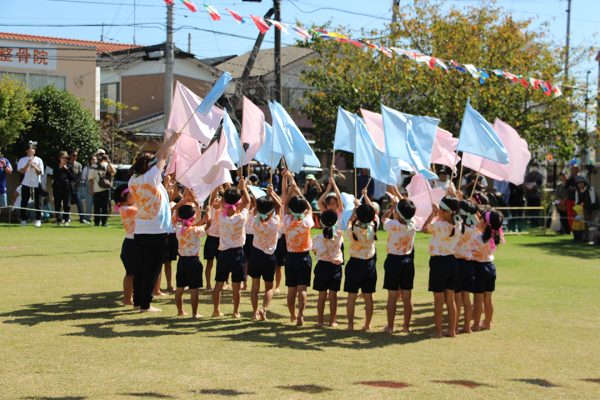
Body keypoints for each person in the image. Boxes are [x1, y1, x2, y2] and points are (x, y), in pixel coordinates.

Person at [128, 131, 181, 313]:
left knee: (141, 268)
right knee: (152, 270)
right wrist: (171, 140)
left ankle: (137, 302)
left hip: (140, 230)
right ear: (149, 165)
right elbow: (163, 156)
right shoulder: (151, 176)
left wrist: (169, 141)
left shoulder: (133, 180)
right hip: (156, 231)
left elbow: (158, 157)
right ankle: (145, 305)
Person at [422, 196, 461, 338]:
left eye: (441, 209)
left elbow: (424, 229)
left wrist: (432, 215)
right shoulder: (458, 223)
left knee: (438, 300)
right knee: (450, 299)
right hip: (452, 262)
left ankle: (438, 332)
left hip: (439, 263)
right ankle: (452, 330)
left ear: (446, 212)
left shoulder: (439, 225)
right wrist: (439, 214)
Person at [212, 180, 251, 318]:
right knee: (236, 285)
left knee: (218, 284)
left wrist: (231, 191)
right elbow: (248, 202)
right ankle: (236, 311)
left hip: (223, 253)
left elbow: (222, 204)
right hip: (237, 253)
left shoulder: (219, 215)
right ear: (238, 203)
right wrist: (243, 188)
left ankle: (216, 310)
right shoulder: (241, 218)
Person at [282, 170, 314, 326]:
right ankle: (301, 315)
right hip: (304, 257)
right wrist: (299, 193)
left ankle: (292, 315)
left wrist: (291, 192)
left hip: (290, 257)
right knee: (302, 289)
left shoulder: (287, 221)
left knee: (291, 290)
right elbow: (309, 208)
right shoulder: (306, 222)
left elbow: (285, 207)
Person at [382, 196, 417, 334]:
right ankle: (406, 326)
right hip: (408, 261)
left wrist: (391, 208)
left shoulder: (392, 224)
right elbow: (406, 214)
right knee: (407, 296)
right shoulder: (413, 223)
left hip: (393, 261)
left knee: (392, 296)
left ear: (398, 213)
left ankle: (390, 326)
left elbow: (383, 219)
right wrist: (397, 208)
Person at [248, 186, 282, 321]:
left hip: (255, 255)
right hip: (269, 257)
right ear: (271, 210)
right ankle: (264, 309)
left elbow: (255, 209)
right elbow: (279, 207)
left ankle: (254, 312)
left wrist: (262, 199)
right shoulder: (274, 223)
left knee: (254, 287)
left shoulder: (254, 221)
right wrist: (271, 193)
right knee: (269, 287)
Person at [344, 201, 378, 331]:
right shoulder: (374, 226)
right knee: (368, 296)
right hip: (369, 264)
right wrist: (362, 206)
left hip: (354, 264)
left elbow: (348, 224)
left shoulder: (353, 228)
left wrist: (353, 214)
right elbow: (374, 216)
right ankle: (367, 324)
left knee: (351, 296)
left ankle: (350, 325)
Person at [174, 202, 208, 318]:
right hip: (193, 262)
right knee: (194, 289)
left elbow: (179, 219)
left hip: (182, 262)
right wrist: (207, 217)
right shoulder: (195, 230)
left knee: (180, 288)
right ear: (192, 218)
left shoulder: (178, 227)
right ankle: (195, 313)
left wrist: (179, 207)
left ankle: (180, 311)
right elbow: (207, 225)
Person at [471, 210, 504, 331]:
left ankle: (476, 324)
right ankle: (488, 323)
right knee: (488, 298)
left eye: (481, 218)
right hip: (490, 267)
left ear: (484, 222)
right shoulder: (493, 236)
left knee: (478, 299)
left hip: (478, 268)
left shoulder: (476, 237)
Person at [312, 210, 343, 328]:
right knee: (333, 296)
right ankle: (332, 321)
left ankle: (320, 321)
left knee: (322, 296)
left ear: (321, 222)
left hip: (322, 267)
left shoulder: (317, 238)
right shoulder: (339, 236)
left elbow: (315, 252)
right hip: (335, 267)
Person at [453, 199, 479, 334]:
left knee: (456, 299)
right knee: (466, 298)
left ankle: (454, 327)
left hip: (457, 263)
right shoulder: (473, 228)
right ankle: (467, 327)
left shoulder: (457, 226)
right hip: (469, 264)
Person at [113, 184, 137, 306]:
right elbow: (145, 210)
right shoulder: (128, 209)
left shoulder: (127, 208)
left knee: (132, 273)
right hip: (132, 244)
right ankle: (127, 298)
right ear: (125, 196)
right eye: (133, 193)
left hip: (131, 243)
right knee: (131, 273)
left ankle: (130, 298)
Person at [17, 142, 44, 227]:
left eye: (33, 149)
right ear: (26, 151)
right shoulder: (22, 160)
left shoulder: (39, 160)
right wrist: (28, 164)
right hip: (26, 183)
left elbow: (40, 172)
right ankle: (23, 220)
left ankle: (38, 220)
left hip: (36, 184)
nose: (31, 150)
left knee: (38, 203)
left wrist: (34, 166)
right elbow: (21, 171)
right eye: (29, 149)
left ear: (35, 151)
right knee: (24, 202)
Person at [89, 150, 116, 227]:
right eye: (99, 154)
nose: (100, 156)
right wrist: (91, 189)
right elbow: (91, 179)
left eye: (102, 154)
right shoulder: (93, 166)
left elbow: (113, 172)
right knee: (96, 207)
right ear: (96, 155)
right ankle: (96, 223)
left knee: (105, 207)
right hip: (96, 190)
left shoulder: (107, 164)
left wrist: (109, 161)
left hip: (106, 189)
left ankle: (104, 222)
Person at [204, 187, 223, 291]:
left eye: (218, 198)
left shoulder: (224, 210)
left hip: (221, 240)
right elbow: (211, 200)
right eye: (215, 198)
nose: (217, 199)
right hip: (211, 239)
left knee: (221, 264)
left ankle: (221, 284)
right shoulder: (210, 208)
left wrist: (221, 189)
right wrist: (215, 188)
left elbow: (225, 197)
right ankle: (208, 284)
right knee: (209, 263)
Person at [51, 151, 75, 226]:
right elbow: (54, 177)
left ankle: (66, 219)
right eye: (63, 158)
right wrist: (61, 168)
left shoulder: (69, 166)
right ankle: (58, 220)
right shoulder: (56, 166)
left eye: (66, 158)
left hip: (66, 187)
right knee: (57, 204)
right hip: (57, 187)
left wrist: (67, 170)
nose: (65, 159)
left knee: (67, 204)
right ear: (60, 158)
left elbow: (73, 178)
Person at [574, 177, 599, 243]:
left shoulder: (590, 188)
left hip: (595, 209)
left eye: (581, 183)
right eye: (578, 183)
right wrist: (577, 212)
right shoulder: (577, 190)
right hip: (586, 208)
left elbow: (593, 201)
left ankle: (595, 240)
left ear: (584, 183)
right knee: (585, 224)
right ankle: (586, 239)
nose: (580, 184)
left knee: (594, 224)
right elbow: (577, 202)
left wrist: (589, 213)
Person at [67, 150, 90, 224]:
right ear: (70, 156)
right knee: (67, 203)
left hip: (76, 186)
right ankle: (67, 218)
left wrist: (76, 182)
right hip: (68, 186)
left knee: (79, 202)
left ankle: (82, 218)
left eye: (76, 155)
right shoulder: (67, 164)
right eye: (73, 155)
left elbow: (80, 175)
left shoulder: (79, 164)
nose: (75, 157)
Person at [523, 163, 544, 227]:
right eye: (533, 166)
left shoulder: (539, 175)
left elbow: (539, 184)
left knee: (536, 210)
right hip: (529, 196)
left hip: (536, 196)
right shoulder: (528, 175)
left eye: (535, 166)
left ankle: (536, 223)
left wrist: (534, 187)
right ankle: (532, 222)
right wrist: (527, 187)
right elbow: (525, 183)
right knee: (530, 210)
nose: (534, 168)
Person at [82, 155, 96, 222]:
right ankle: (87, 218)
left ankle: (97, 219)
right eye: (93, 159)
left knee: (97, 204)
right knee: (89, 204)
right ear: (90, 161)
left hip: (97, 188)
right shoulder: (86, 168)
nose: (94, 161)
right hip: (89, 187)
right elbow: (83, 178)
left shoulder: (98, 167)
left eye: (95, 159)